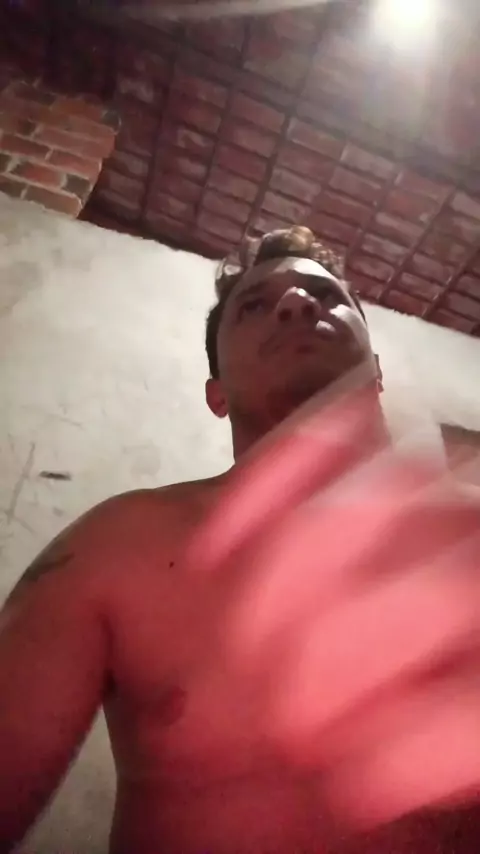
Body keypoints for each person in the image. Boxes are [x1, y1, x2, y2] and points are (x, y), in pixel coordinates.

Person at [1, 225, 479, 854]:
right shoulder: (117, 546)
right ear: (217, 394)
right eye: (255, 305)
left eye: (325, 295)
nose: (298, 303)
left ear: (379, 368)